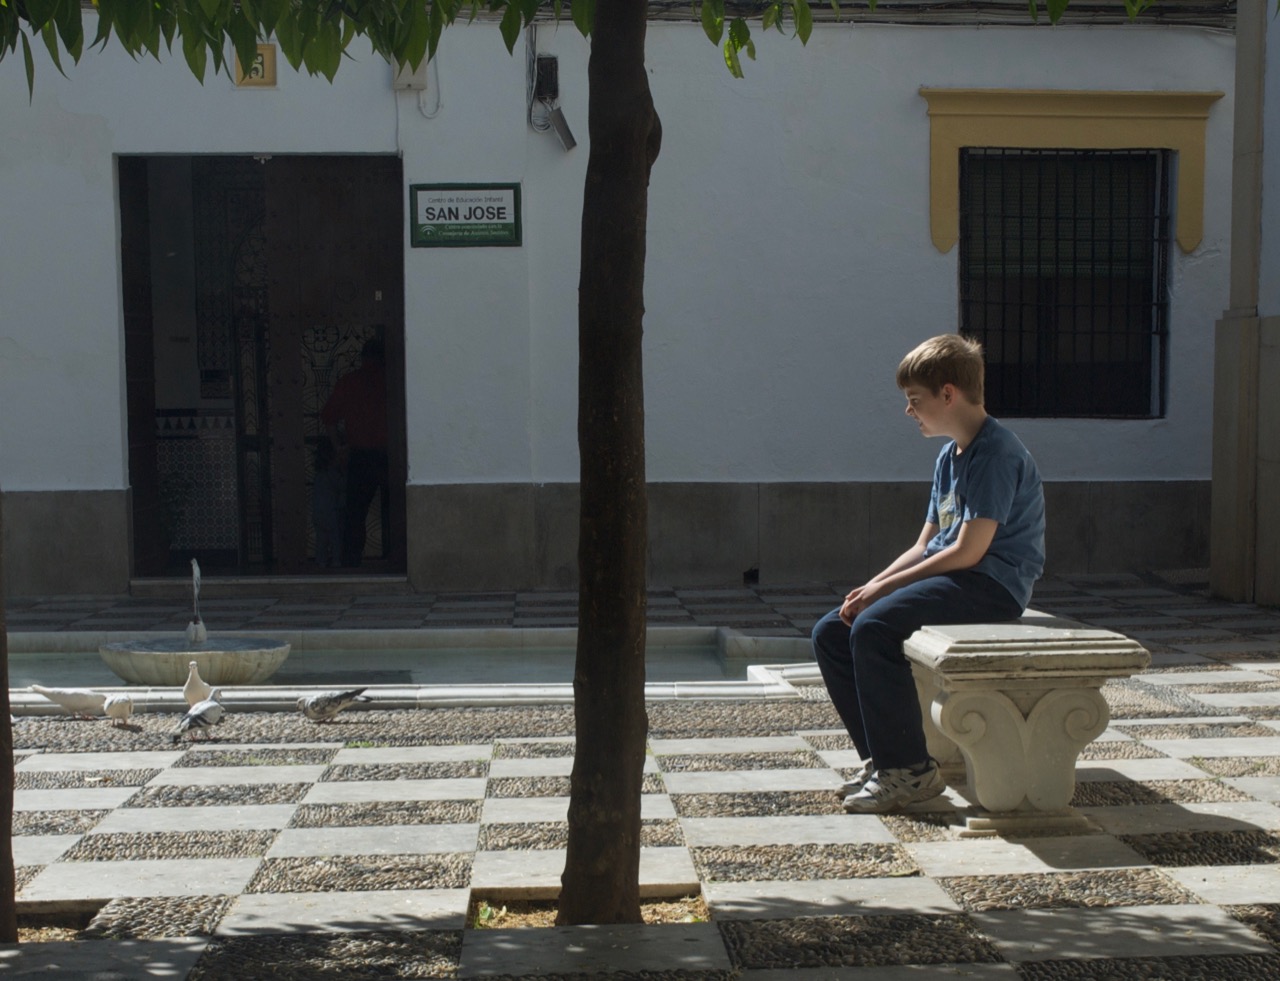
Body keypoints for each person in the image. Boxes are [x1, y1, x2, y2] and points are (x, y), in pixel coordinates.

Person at [812, 333, 1045, 814]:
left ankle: (910, 772)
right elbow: (925, 545)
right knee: (833, 630)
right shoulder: (949, 456)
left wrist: (884, 591)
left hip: (992, 586)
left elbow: (969, 551)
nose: (908, 411)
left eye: (915, 400)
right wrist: (871, 586)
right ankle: (884, 760)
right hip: (957, 576)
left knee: (873, 628)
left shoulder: (997, 454)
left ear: (948, 393)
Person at [320, 337, 389, 567]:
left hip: (360, 456)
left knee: (355, 514)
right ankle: (399, 558)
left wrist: (339, 447)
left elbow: (329, 417)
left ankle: (351, 563)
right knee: (396, 509)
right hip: (390, 456)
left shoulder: (350, 382)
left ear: (362, 357)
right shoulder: (395, 380)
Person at [311, 435, 344, 569]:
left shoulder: (318, 474)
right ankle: (336, 560)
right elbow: (341, 486)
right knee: (335, 537)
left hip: (317, 511)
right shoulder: (332, 473)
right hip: (331, 511)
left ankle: (321, 561)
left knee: (321, 538)